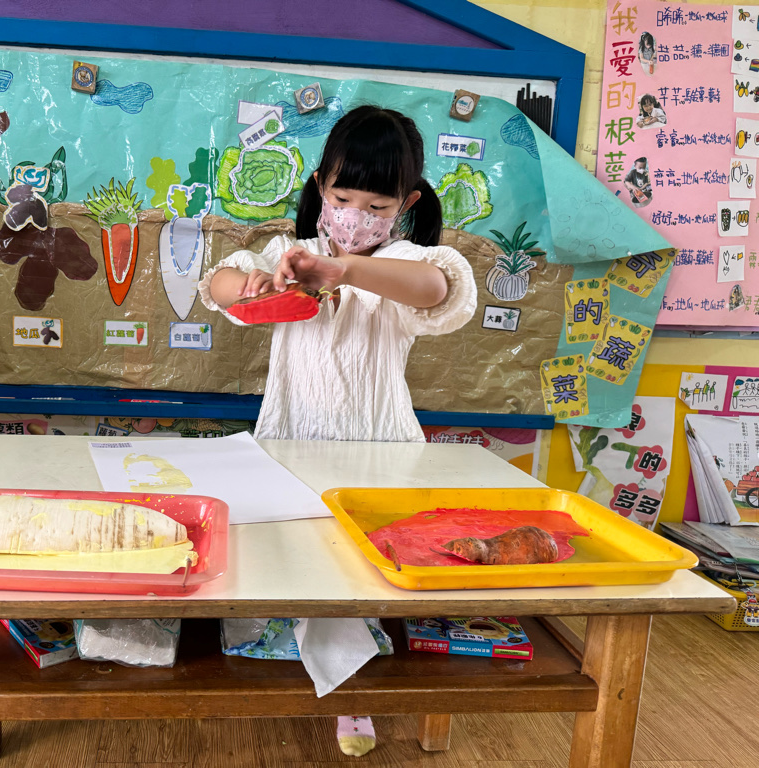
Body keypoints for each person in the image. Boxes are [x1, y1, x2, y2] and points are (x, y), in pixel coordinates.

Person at [200, 105, 477, 755]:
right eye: (343, 197)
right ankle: (285, 668)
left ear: (406, 204)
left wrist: (346, 270)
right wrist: (258, 283)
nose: (355, 215)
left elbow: (437, 287)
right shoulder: (290, 253)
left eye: (376, 205)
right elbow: (220, 283)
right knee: (291, 566)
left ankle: (352, 689)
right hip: (290, 442)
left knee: (359, 579)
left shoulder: (403, 259)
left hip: (380, 455)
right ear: (320, 186)